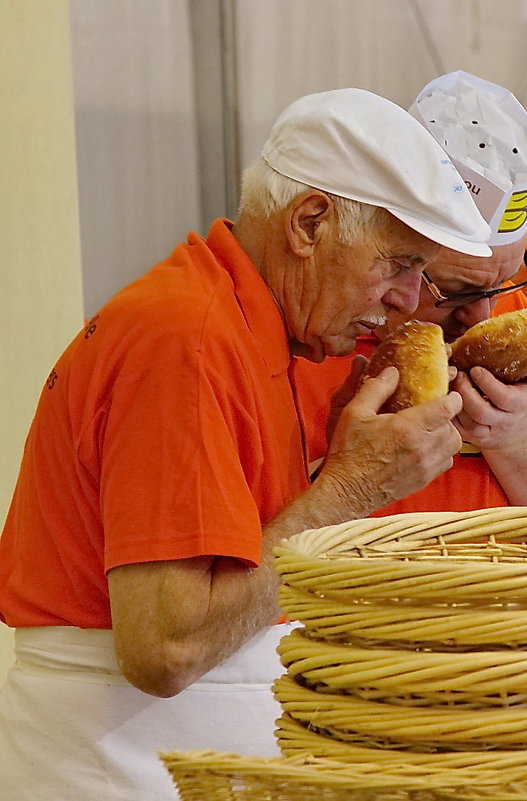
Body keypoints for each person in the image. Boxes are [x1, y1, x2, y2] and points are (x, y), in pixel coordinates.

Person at [0, 87, 494, 800]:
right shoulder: (187, 336)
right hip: (119, 763)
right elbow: (164, 648)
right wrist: (351, 490)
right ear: (311, 222)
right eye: (399, 264)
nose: (409, 300)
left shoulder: (257, 328)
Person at [294, 71, 527, 513]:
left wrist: (515, 437)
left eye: (502, 282)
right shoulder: (309, 323)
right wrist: (349, 482)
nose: (483, 316)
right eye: (456, 290)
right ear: (397, 253)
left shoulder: (500, 317)